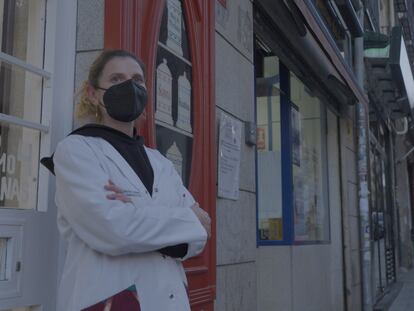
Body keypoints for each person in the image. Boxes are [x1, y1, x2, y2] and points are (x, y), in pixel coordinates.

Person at [41, 50, 211, 310]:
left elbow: (200, 233)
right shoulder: (76, 151)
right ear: (93, 93)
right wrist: (184, 220)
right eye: (116, 79)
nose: (129, 86)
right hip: (111, 301)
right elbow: (113, 229)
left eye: (137, 80)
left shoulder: (161, 162)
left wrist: (136, 213)